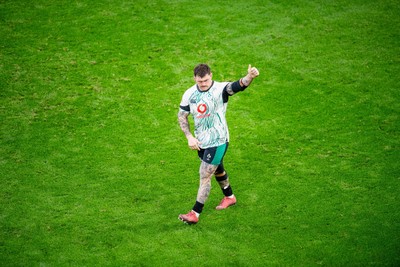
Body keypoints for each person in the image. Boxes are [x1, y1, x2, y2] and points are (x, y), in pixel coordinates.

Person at [177, 63, 260, 224]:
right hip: (201, 142)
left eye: (206, 80)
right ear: (195, 78)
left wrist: (249, 76)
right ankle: (230, 197)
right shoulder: (189, 94)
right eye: (200, 81)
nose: (204, 84)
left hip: (219, 140)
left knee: (205, 174)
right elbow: (182, 116)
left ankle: (195, 213)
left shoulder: (220, 89)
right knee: (217, 169)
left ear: (211, 75)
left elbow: (238, 85)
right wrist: (189, 136)